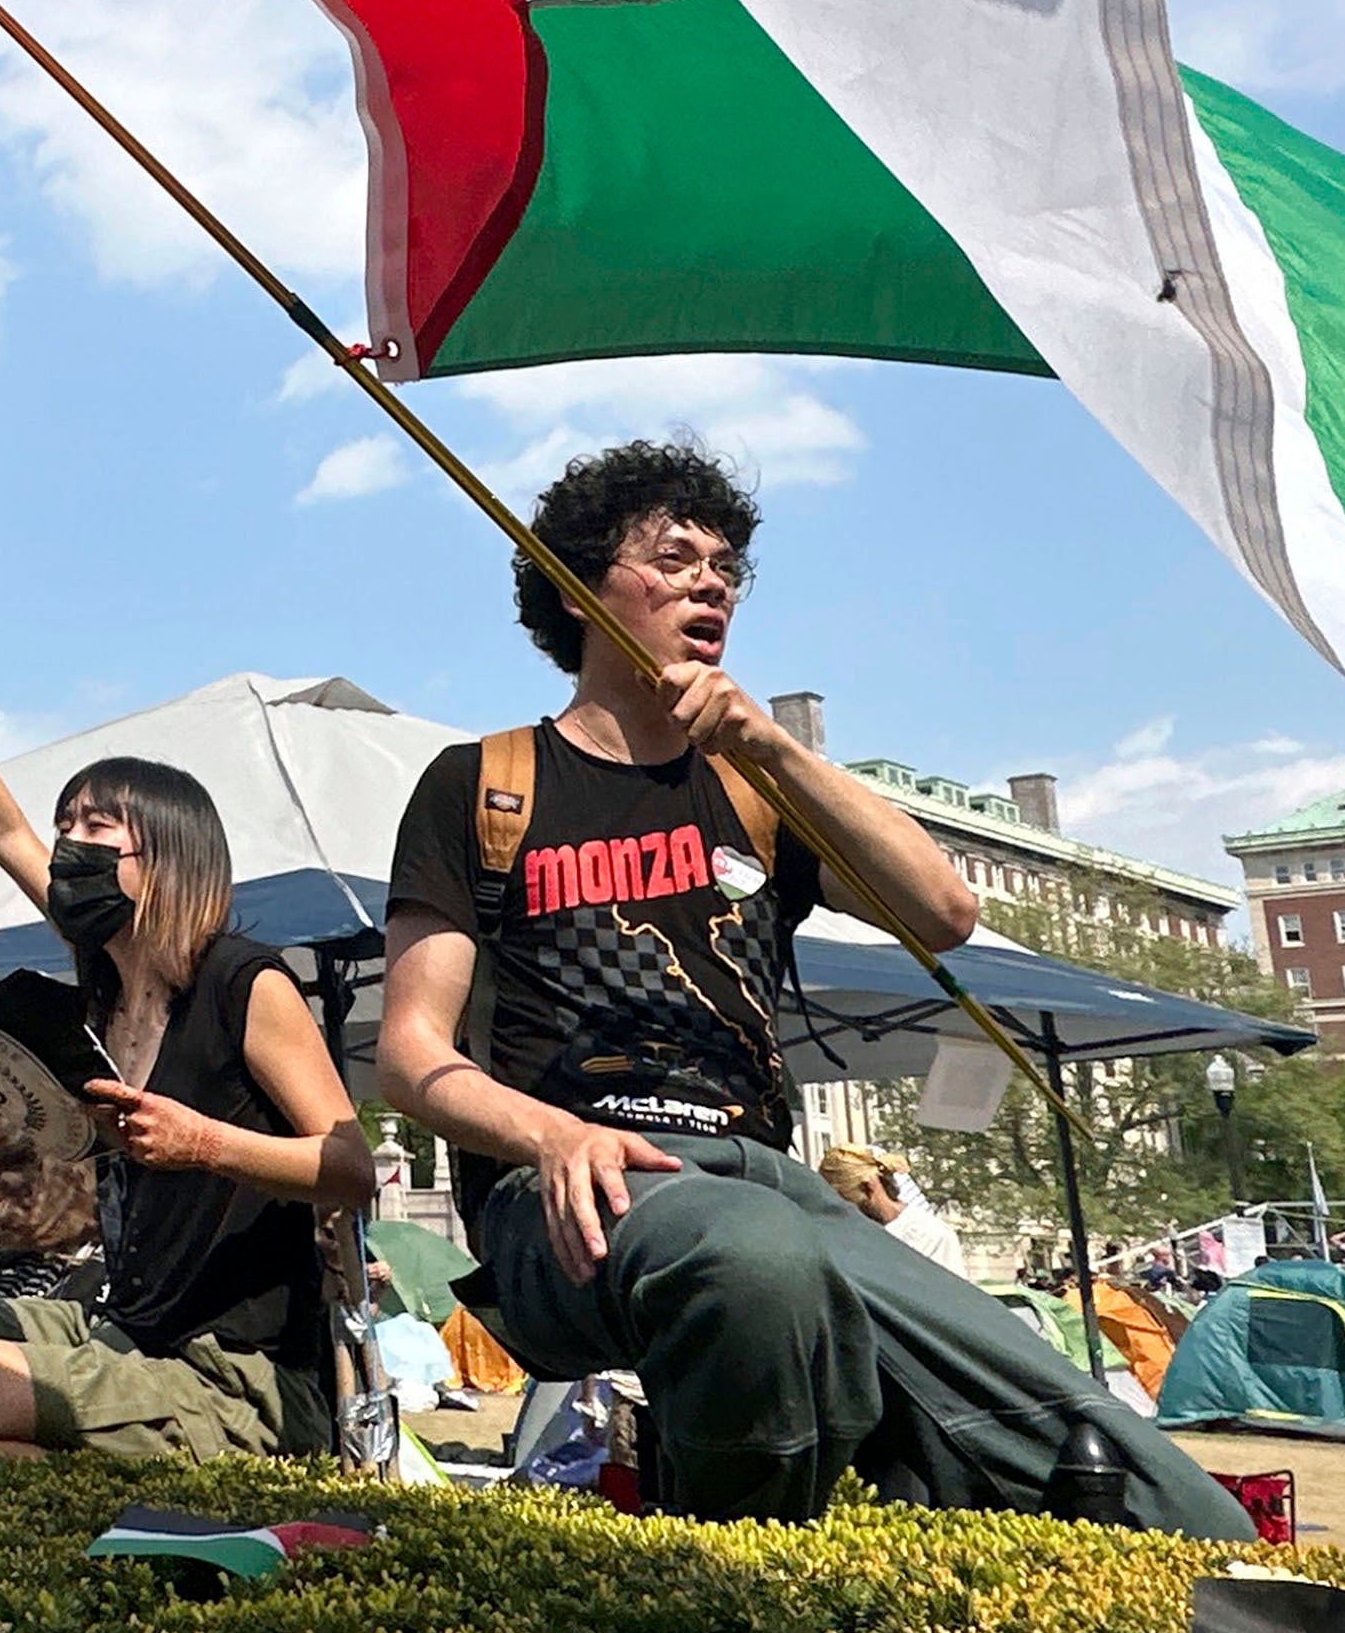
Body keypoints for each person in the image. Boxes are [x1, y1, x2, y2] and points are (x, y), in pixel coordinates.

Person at [368, 440, 1250, 1533]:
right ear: (579, 588)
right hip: (567, 1196)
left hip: (775, 1184)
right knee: (749, 1261)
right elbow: (411, 1055)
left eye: (726, 568)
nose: (711, 584)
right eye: (674, 557)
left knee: (1140, 1475)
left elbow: (942, 914)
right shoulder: (483, 785)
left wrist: (772, 749)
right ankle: (744, 1599)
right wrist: (550, 1137)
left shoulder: (756, 790)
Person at [0, 606, 367, 1461]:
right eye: (67, 824)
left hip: (235, 1371)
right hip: (123, 1327)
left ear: (165, 856)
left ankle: (61, 1496)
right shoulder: (106, 979)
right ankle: (41, 1467)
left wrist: (202, 1143)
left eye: (96, 828)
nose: (67, 845)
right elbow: (1, 830)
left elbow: (352, 1167)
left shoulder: (245, 983)